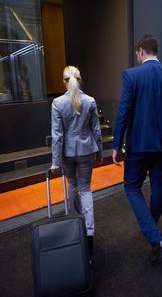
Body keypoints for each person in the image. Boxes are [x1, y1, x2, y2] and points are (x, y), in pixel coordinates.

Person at [112, 34, 162, 263]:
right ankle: (152, 227)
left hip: (138, 146)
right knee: (158, 185)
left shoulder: (131, 75)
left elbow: (123, 112)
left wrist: (116, 146)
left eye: (137, 53)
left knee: (131, 187)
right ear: (155, 51)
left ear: (140, 50)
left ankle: (154, 236)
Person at [51, 65, 103, 256]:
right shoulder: (90, 101)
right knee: (86, 188)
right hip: (86, 150)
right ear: (80, 79)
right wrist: (100, 153)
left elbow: (57, 135)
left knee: (72, 185)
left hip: (66, 153)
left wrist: (55, 160)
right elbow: (96, 130)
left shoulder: (57, 103)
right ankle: (89, 233)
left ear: (64, 81)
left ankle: (76, 222)